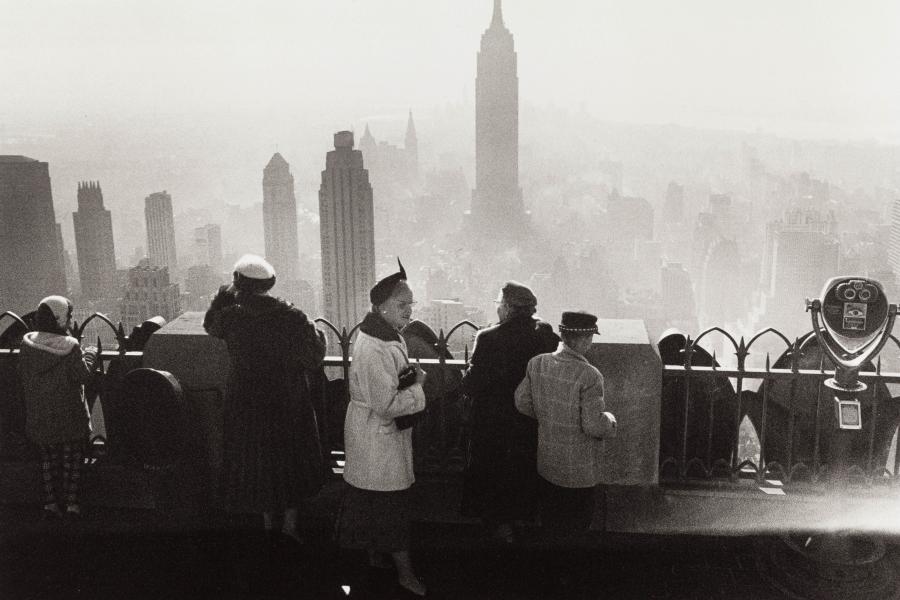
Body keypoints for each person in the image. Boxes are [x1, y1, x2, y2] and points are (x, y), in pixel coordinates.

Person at [203, 254, 325, 541]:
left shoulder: (231, 316)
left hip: (246, 403)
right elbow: (315, 355)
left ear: (239, 284)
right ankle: (291, 526)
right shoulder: (291, 316)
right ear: (270, 284)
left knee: (258, 464)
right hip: (286, 400)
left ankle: (269, 524)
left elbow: (211, 326)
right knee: (290, 461)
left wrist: (222, 297)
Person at [337, 259, 429, 598]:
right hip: (378, 437)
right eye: (402, 305)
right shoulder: (376, 347)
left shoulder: (380, 335)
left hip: (372, 437)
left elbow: (385, 389)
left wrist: (407, 378)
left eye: (410, 304)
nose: (409, 311)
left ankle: (373, 561)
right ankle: (405, 576)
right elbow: (385, 404)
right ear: (381, 307)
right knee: (390, 509)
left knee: (371, 503)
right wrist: (417, 384)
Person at [460, 281, 559, 542]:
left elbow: (473, 384)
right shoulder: (546, 335)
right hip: (530, 418)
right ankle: (523, 522)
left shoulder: (489, 338)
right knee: (523, 469)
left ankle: (501, 529)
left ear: (506, 307)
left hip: (494, 421)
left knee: (494, 474)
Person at [514, 311, 616, 537]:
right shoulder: (590, 375)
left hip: (547, 465)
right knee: (576, 529)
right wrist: (610, 421)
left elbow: (521, 402)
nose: (590, 343)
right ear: (585, 339)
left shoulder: (537, 363)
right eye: (590, 338)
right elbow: (592, 425)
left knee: (550, 525)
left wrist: (548, 415)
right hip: (578, 472)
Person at [17, 296, 97, 519]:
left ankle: (50, 504)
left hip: (39, 418)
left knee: (47, 461)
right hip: (69, 417)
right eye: (69, 316)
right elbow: (83, 376)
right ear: (60, 319)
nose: (71, 320)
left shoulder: (27, 346)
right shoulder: (70, 348)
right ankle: (71, 503)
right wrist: (90, 354)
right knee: (72, 460)